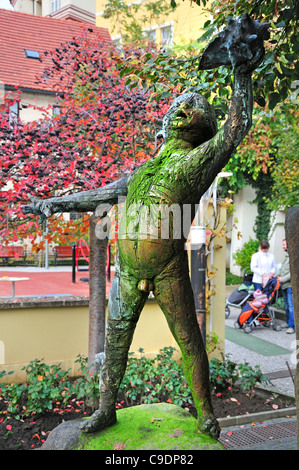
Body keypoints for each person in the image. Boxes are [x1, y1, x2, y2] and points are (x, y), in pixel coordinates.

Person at [23, 17, 268, 439]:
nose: (184, 108)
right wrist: (53, 202)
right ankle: (105, 410)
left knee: (188, 339)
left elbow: (235, 130)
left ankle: (206, 414)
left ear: (196, 122)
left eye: (192, 107)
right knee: (116, 345)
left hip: (168, 268)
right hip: (128, 271)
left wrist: (242, 74)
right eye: (180, 105)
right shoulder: (141, 171)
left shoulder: (197, 162)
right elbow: (97, 195)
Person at [277, 239, 295, 334]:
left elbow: (293, 273)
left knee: (291, 306)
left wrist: (282, 279)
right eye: (282, 244)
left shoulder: (293, 257)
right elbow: (281, 269)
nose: (283, 246)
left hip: (290, 286)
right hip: (283, 285)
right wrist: (274, 275)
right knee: (287, 306)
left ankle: (292, 327)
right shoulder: (285, 256)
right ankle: (288, 323)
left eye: (284, 244)